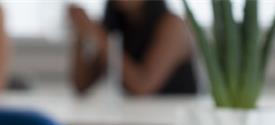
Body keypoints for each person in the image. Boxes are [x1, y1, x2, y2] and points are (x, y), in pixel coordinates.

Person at [69, 0, 197, 95]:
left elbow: (142, 87)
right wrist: (83, 31)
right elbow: (81, 85)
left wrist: (98, 36)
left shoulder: (173, 25)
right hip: (134, 118)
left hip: (173, 119)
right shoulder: (117, 27)